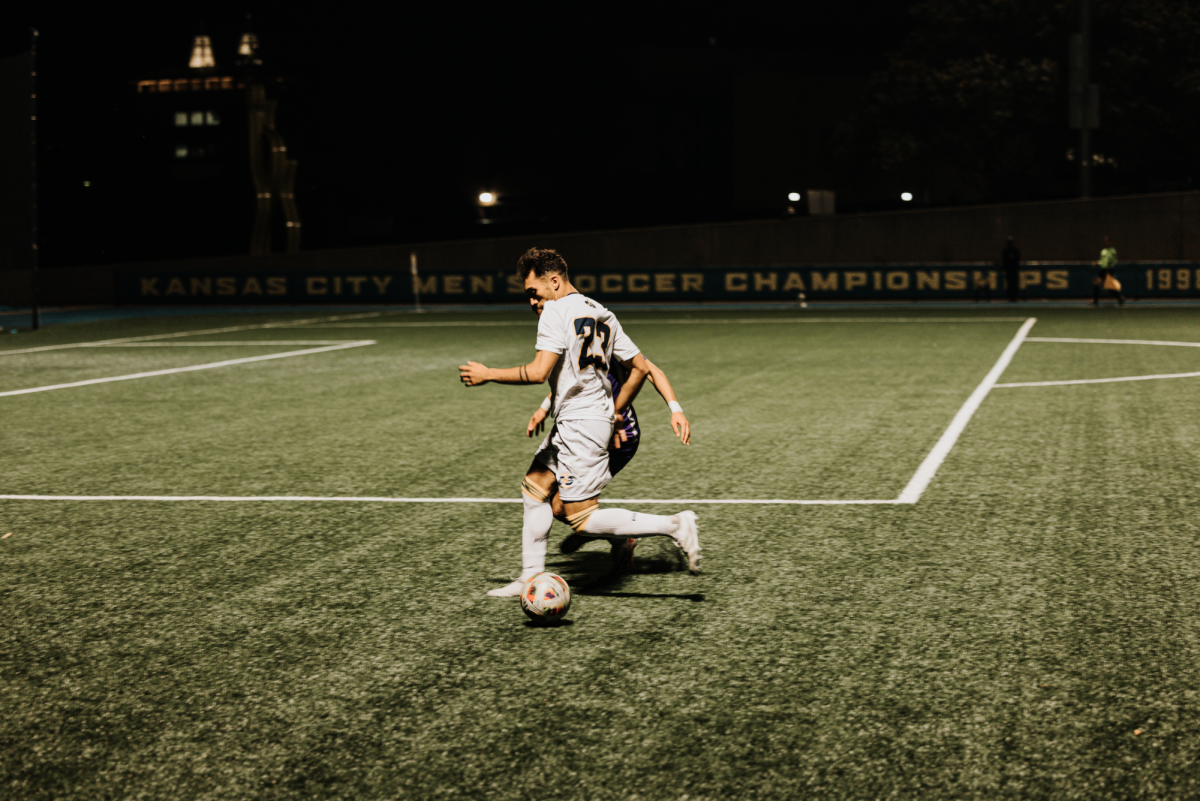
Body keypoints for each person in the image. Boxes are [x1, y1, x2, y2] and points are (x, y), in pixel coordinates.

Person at [458, 248, 701, 597]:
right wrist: (605, 410)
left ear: (554, 281)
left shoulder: (555, 311)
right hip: (581, 418)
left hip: (581, 425)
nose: (531, 301)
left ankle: (675, 525)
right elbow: (638, 368)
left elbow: (539, 371)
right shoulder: (600, 313)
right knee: (535, 488)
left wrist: (488, 374)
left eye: (533, 291)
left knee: (580, 518)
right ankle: (530, 577)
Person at [526, 355, 691, 575]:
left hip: (617, 439)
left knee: (570, 511)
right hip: (583, 429)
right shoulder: (579, 329)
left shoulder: (608, 337)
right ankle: (621, 537)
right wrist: (544, 408)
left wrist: (675, 409)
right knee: (558, 508)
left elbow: (650, 370)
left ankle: (649, 530)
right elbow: (574, 378)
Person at [1092, 236, 1125, 307]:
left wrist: (1110, 266)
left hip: (1109, 270)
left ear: (1110, 242)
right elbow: (1103, 261)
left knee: (1107, 287)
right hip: (1103, 270)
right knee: (1097, 284)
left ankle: (1120, 298)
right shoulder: (1103, 251)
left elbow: (1114, 260)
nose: (1107, 242)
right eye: (1106, 241)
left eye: (1108, 241)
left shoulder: (1112, 251)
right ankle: (1095, 301)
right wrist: (1097, 263)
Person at [1002, 236, 1021, 303]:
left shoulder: (1015, 250)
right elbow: (1004, 260)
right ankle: (1010, 296)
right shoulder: (1006, 251)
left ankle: (1015, 296)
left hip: (1014, 269)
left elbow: (1017, 259)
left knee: (1014, 284)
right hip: (1009, 270)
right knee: (1009, 284)